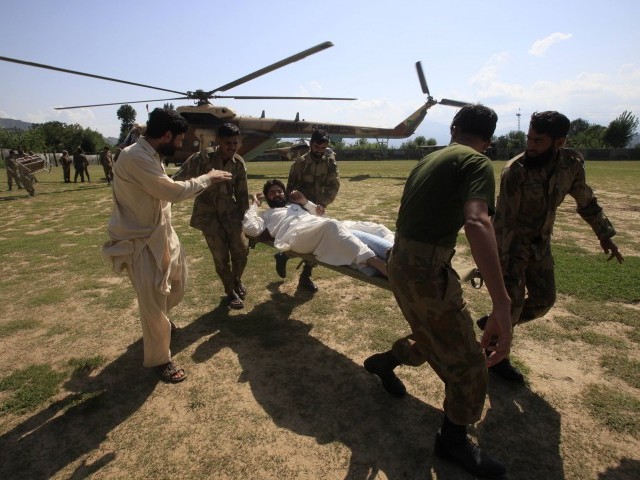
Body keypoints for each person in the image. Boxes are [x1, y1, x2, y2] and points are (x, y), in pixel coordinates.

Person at [363, 105, 512, 478]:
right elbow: (478, 221)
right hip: (425, 271)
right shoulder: (477, 163)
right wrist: (502, 303)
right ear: (489, 140)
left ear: (453, 127)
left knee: (434, 336)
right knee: (469, 363)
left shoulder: (431, 158)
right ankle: (452, 441)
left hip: (405, 262)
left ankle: (385, 362)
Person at [478, 111, 624, 383]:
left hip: (540, 245)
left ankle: (493, 325)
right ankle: (495, 356)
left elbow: (587, 202)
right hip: (512, 246)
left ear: (559, 142)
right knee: (512, 303)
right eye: (529, 139)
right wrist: (500, 262)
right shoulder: (515, 171)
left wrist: (605, 235)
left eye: (538, 141)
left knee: (544, 301)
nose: (530, 146)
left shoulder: (571, 166)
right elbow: (505, 221)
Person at [102, 108, 232, 383]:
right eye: (179, 139)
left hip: (163, 234)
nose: (181, 145)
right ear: (167, 135)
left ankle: (161, 323)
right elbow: (173, 192)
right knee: (153, 304)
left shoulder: (151, 155)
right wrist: (209, 177)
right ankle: (161, 359)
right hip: (140, 242)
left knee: (178, 285)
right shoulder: (135, 156)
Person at [173, 123, 250, 310]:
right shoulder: (201, 159)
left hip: (231, 215)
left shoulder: (238, 163)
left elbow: (242, 194)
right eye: (228, 143)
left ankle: (236, 279)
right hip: (208, 216)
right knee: (221, 256)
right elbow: (177, 180)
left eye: (235, 143)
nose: (232, 147)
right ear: (219, 141)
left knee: (241, 250)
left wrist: (247, 220)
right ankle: (230, 291)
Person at [243, 179, 389, 278]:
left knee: (375, 228)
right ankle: (375, 262)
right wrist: (255, 204)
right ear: (267, 198)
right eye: (272, 192)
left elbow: (321, 215)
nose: (277, 194)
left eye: (279, 191)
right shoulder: (267, 214)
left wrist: (305, 202)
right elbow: (250, 228)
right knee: (331, 225)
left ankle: (394, 252)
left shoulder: (295, 206)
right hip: (297, 236)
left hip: (317, 226)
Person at [279, 128, 340, 292]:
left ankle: (305, 276)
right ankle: (284, 255)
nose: (319, 151)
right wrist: (298, 202)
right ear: (311, 144)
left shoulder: (330, 163)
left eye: (323, 148)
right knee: (300, 239)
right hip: (300, 209)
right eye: (316, 147)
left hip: (318, 209)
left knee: (318, 243)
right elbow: (291, 187)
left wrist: (323, 203)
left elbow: (333, 185)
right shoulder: (300, 163)